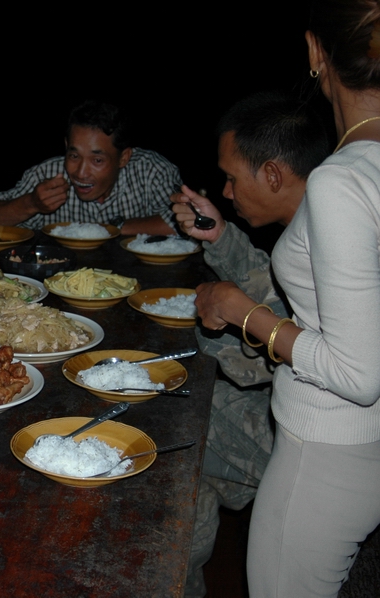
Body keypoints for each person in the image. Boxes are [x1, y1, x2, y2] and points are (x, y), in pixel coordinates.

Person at [195, 3, 380, 595]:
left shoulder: (341, 179)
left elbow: (358, 372)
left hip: (325, 452)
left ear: (314, 51)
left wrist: (241, 311)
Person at [171, 92, 329, 597]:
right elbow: (274, 291)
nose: (226, 189)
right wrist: (220, 236)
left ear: (275, 176)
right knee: (182, 428)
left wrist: (234, 315)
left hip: (318, 442)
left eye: (233, 178)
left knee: (172, 431)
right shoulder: (311, 223)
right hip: (292, 413)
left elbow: (312, 357)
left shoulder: (330, 239)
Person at [0, 100, 181, 235]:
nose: (80, 173)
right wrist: (31, 203)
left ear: (123, 158)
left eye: (97, 160)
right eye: (73, 155)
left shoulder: (151, 171)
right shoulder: (48, 175)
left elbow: (186, 221)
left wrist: (109, 229)